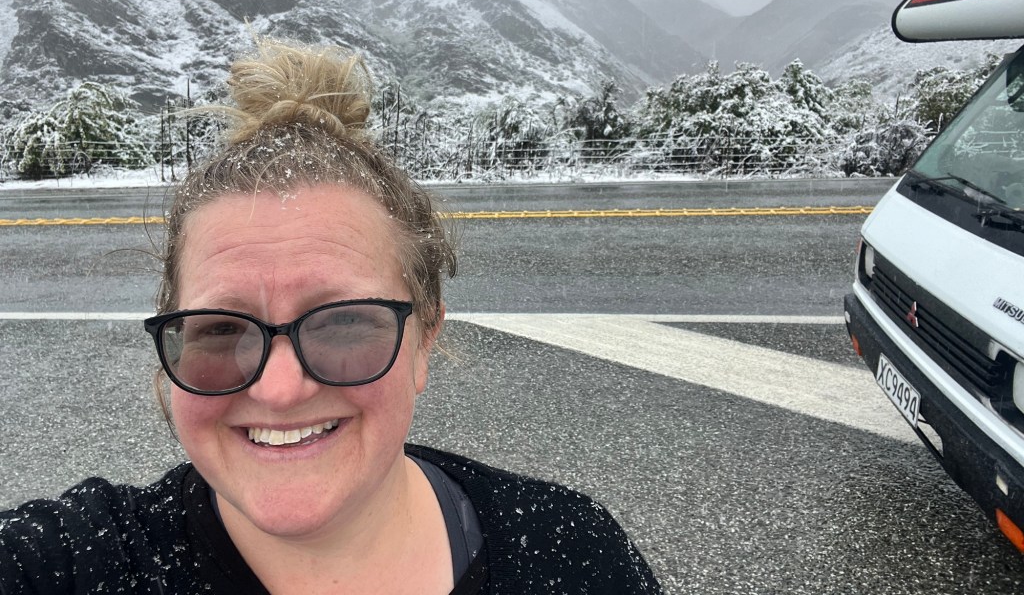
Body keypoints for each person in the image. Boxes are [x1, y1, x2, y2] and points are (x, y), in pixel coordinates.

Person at [0, 38, 664, 594]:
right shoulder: (72, 563)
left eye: (343, 323)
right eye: (221, 329)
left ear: (425, 338)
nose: (279, 390)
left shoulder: (575, 556)